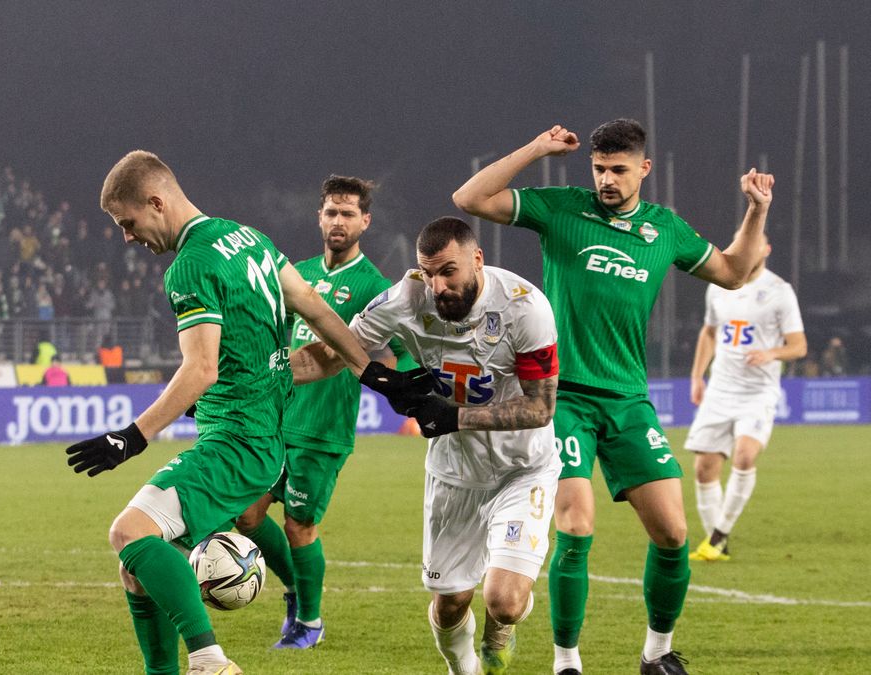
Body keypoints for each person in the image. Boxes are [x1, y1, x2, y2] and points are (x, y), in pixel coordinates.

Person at [64, 151, 430, 675]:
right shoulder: (247, 238)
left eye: (128, 223)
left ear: (155, 202)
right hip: (258, 435)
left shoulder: (190, 266)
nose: (128, 236)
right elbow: (312, 304)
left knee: (129, 534)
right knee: (140, 570)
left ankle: (211, 660)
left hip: (237, 442)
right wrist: (368, 369)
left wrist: (130, 437)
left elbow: (201, 370)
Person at [452, 120, 774, 675]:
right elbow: (470, 198)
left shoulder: (664, 228)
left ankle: (656, 654)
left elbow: (735, 272)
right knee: (576, 524)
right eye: (599, 168)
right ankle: (567, 662)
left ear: (643, 170)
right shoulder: (562, 210)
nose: (606, 179)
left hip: (628, 400)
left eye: (618, 170)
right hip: (560, 398)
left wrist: (755, 210)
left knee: (673, 533)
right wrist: (536, 148)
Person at [293, 217, 561, 675]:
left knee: (504, 601)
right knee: (450, 603)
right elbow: (332, 353)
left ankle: (501, 630)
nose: (438, 285)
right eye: (428, 272)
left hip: (523, 468)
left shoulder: (525, 307)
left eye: (448, 271)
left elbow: (541, 408)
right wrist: (257, 379)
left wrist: (454, 416)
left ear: (477, 260)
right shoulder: (406, 298)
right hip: (454, 473)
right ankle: (466, 670)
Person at [233, 174, 414, 650]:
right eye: (331, 212)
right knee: (247, 517)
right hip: (272, 421)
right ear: (319, 217)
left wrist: (414, 394)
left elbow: (404, 349)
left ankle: (309, 622)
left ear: (365, 221)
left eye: (349, 213)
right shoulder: (297, 274)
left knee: (299, 524)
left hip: (322, 429)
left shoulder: (375, 286)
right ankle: (296, 588)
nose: (339, 221)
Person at [685, 233, 805, 561]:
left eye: (755, 242)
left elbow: (799, 345)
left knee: (745, 457)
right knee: (704, 469)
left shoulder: (779, 292)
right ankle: (717, 544)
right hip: (721, 389)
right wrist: (697, 376)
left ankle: (718, 536)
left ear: (765, 249)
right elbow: (709, 332)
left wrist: (771, 353)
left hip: (757, 392)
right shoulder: (719, 286)